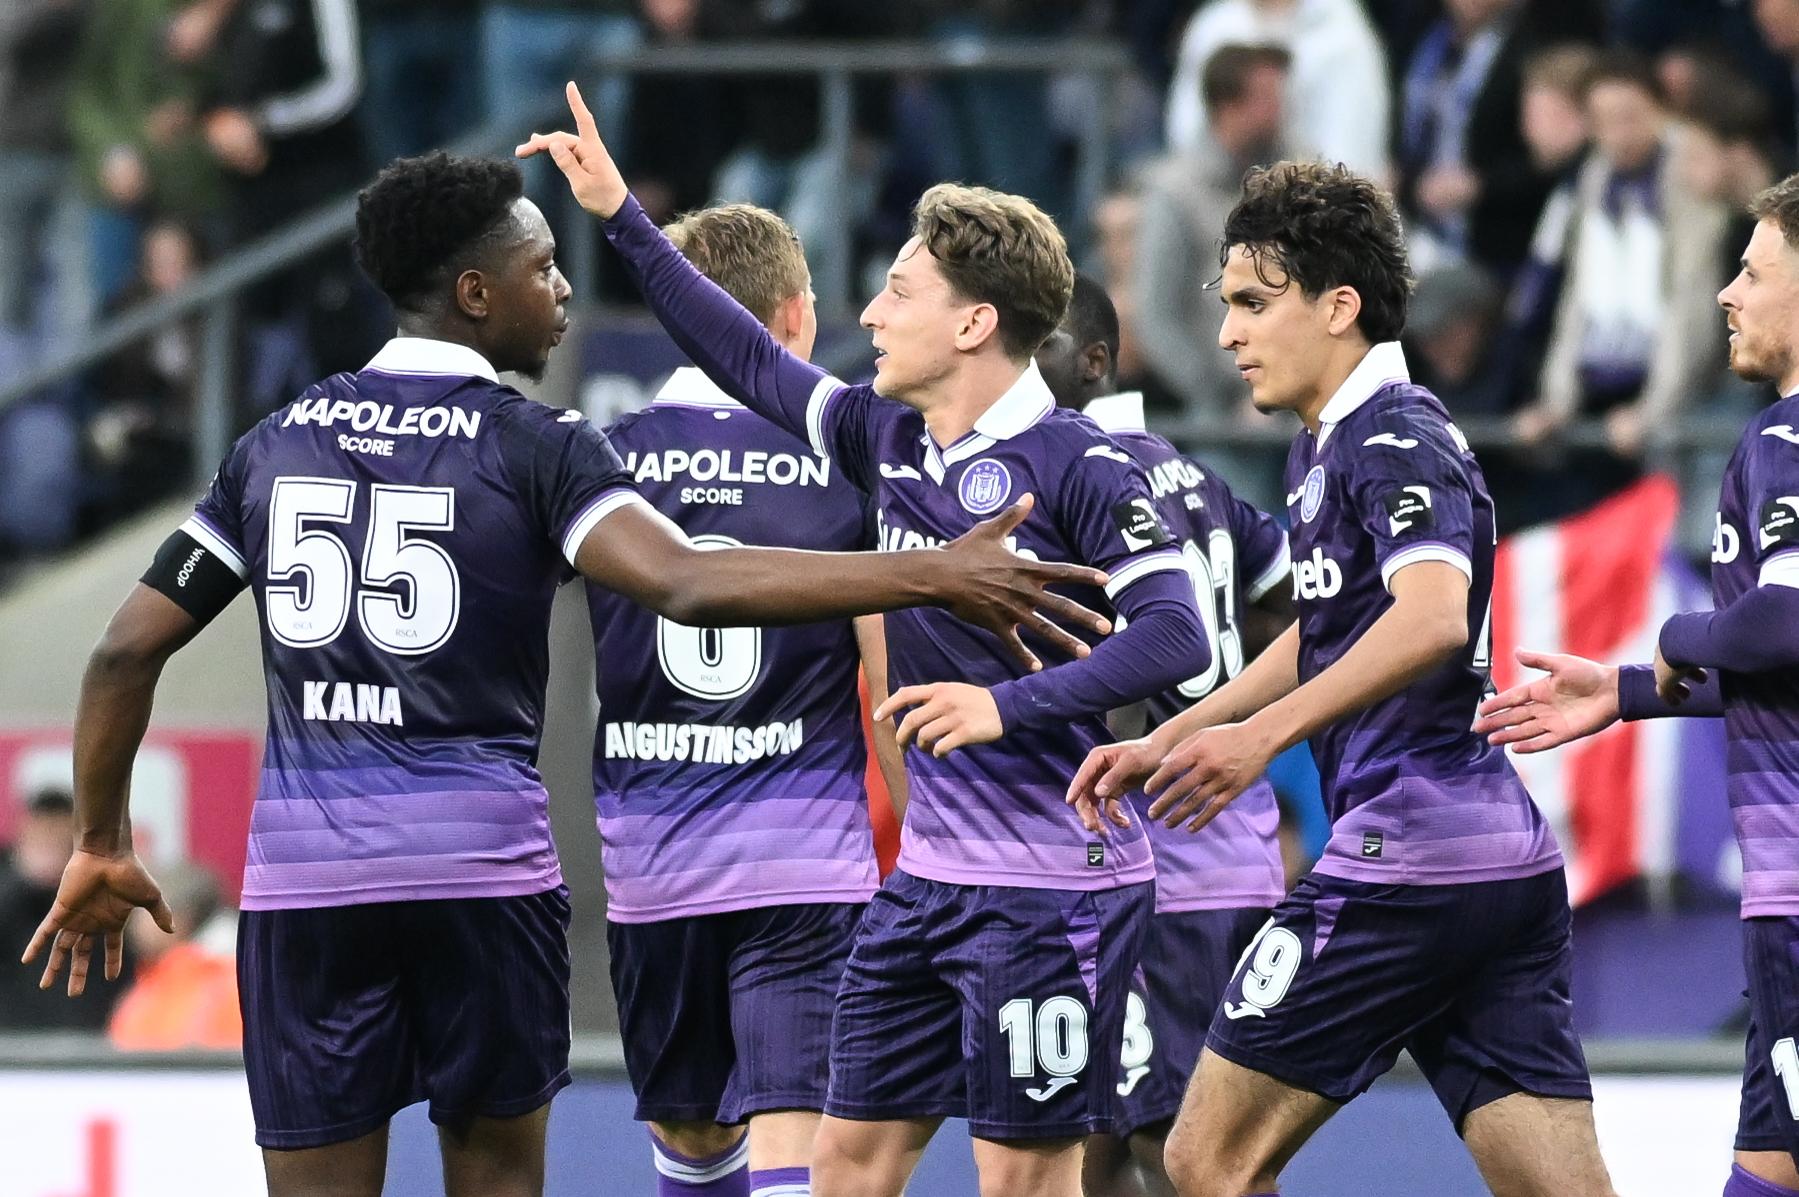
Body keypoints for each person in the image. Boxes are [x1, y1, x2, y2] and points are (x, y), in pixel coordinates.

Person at [18, 150, 1109, 1197]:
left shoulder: (272, 444)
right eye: (543, 270)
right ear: (476, 293)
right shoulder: (536, 446)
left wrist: (104, 840)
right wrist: (924, 573)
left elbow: (125, 649)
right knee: (498, 1171)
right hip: (485, 885)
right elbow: (683, 580)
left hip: (310, 893)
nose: (564, 294)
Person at [522, 81, 1210, 1197]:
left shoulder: (1087, 466)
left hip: (1051, 893)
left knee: (1023, 1181)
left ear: (973, 324)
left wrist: (1004, 706)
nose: (873, 315)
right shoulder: (882, 436)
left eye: (897, 291)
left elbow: (1175, 636)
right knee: (841, 1166)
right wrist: (618, 217)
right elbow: (744, 356)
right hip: (924, 885)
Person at [1065, 160, 1617, 1197]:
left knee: (1202, 1157)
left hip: (1401, 859)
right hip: (1491, 860)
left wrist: (1259, 742)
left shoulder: (1394, 434)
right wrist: (1182, 733)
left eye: (1249, 303)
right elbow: (1324, 627)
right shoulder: (1326, 446)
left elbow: (1427, 618)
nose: (1227, 334)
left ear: (1337, 305)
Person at [1474, 172, 1799, 1197]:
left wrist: (1669, 635)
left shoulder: (1784, 442)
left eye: (1751, 270)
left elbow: (1783, 616)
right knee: (1766, 1171)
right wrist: (1625, 690)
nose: (1725, 293)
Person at [588, 202, 907, 1197]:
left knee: (691, 1138)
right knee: (794, 1136)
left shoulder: (601, 455)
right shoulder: (850, 463)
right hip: (804, 861)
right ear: (796, 317)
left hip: (651, 864)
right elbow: (888, 682)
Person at [1035, 275, 1292, 1197]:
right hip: (1224, 852)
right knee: (1097, 1135)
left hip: (1164, 863)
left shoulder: (1076, 484)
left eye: (1045, 342)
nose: (1024, 362)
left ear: (1096, 361)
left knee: (1183, 1151)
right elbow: (1285, 585)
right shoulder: (1188, 470)